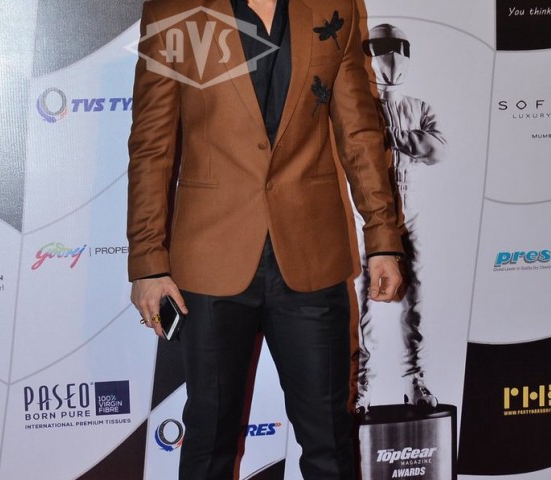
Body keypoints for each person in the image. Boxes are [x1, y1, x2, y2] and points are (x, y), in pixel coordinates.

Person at [127, 1, 403, 479]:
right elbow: (152, 146)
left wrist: (382, 236)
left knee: (330, 440)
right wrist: (148, 262)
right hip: (211, 259)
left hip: (312, 255)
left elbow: (358, 131)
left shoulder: (333, 6)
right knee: (209, 441)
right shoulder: (175, 10)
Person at [355, 23, 447, 414]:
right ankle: (360, 386)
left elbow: (438, 149)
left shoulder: (419, 107)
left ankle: (415, 379)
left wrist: (396, 136)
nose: (390, 56)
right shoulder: (356, 105)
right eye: (381, 47)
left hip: (413, 216)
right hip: (365, 218)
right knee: (362, 303)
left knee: (417, 301)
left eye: (397, 47)